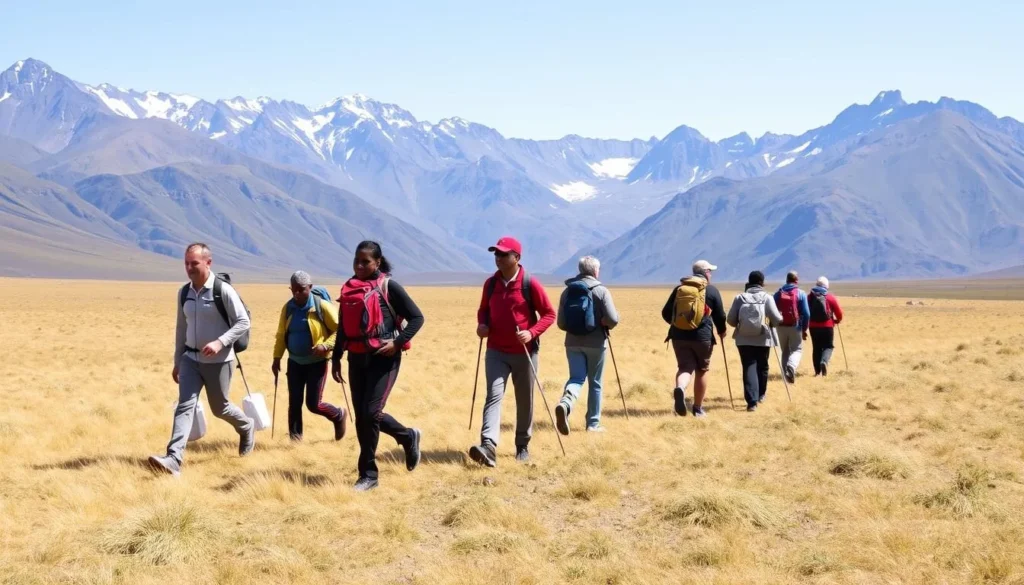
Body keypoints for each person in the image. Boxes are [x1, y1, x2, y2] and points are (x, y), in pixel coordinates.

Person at [149, 243, 254, 477]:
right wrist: (178, 360)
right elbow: (181, 328)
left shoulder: (222, 290)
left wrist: (220, 342)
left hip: (220, 361)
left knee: (220, 408)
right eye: (186, 263)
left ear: (208, 262)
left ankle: (246, 427)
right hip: (190, 360)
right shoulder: (184, 292)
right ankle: (174, 459)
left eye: (194, 263)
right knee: (185, 406)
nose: (189, 268)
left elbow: (242, 322)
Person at [331, 241, 424, 491]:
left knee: (371, 414)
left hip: (384, 358)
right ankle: (407, 437)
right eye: (356, 261)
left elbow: (417, 318)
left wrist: (398, 342)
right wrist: (336, 357)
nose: (360, 266)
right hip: (356, 358)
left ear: (378, 262)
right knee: (362, 417)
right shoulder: (349, 288)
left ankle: (368, 475)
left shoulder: (388, 286)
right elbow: (342, 326)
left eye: (366, 262)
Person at [469, 236, 556, 466]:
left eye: (502, 254)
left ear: (516, 257)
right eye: (495, 254)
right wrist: (482, 326)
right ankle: (488, 445)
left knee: (524, 399)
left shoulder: (529, 283)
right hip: (496, 350)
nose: (497, 258)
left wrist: (532, 332)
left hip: (525, 352)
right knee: (493, 396)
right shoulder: (491, 284)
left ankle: (522, 445)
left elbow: (549, 314)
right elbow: (483, 311)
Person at [272, 271, 346, 442]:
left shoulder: (322, 306)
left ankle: (338, 415)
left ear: (310, 287)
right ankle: (295, 441)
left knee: (314, 404)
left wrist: (325, 345)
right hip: (295, 362)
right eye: (294, 290)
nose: (297, 293)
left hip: (317, 362)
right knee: (294, 403)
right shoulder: (288, 308)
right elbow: (281, 334)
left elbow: (340, 330)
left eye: (302, 289)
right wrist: (276, 358)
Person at [554, 255, 619, 434]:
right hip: (596, 343)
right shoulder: (601, 291)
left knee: (576, 378)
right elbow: (613, 319)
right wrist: (605, 322)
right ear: (595, 271)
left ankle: (565, 404)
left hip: (572, 343)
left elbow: (561, 323)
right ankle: (593, 424)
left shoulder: (567, 292)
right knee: (595, 383)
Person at [660, 260, 727, 418]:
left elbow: (665, 312)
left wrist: (677, 324)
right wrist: (722, 331)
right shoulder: (711, 291)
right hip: (702, 338)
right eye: (710, 271)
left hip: (679, 337)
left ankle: (681, 389)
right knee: (702, 370)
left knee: (684, 368)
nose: (711, 274)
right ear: (705, 272)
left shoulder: (679, 289)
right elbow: (720, 315)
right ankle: (697, 408)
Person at [727, 270, 783, 412]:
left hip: (743, 339)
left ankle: (752, 402)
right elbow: (777, 319)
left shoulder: (739, 298)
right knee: (762, 366)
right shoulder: (767, 298)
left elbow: (730, 320)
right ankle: (760, 395)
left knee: (748, 366)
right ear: (762, 283)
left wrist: (743, 324)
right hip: (763, 338)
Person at [773, 271, 811, 384]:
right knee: (797, 349)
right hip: (795, 326)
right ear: (796, 280)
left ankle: (786, 377)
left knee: (784, 350)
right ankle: (791, 367)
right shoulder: (801, 293)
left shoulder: (778, 294)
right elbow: (807, 313)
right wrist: (804, 329)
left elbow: (772, 309)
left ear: (786, 280)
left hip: (780, 326)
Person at [808, 276, 844, 376]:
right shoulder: (830, 297)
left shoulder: (809, 297)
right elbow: (839, 313)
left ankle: (817, 372)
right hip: (827, 326)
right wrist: (838, 320)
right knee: (828, 346)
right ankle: (824, 361)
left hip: (813, 326)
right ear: (826, 286)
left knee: (816, 348)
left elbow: (805, 312)